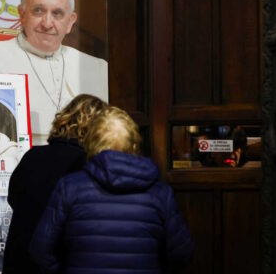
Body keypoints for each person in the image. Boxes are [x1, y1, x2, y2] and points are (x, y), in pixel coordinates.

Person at [30, 106, 194, 273]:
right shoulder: (160, 194)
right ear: (135, 145)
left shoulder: (69, 188)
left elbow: (40, 250)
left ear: (91, 144)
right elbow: (182, 253)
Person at [0, 0, 108, 145]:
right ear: (21, 14)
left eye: (57, 13)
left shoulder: (97, 68)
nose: (47, 23)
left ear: (70, 22)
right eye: (38, 11)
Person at [3, 94, 107, 273]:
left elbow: (13, 198)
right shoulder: (88, 164)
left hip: (19, 259)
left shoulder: (32, 156)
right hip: (56, 261)